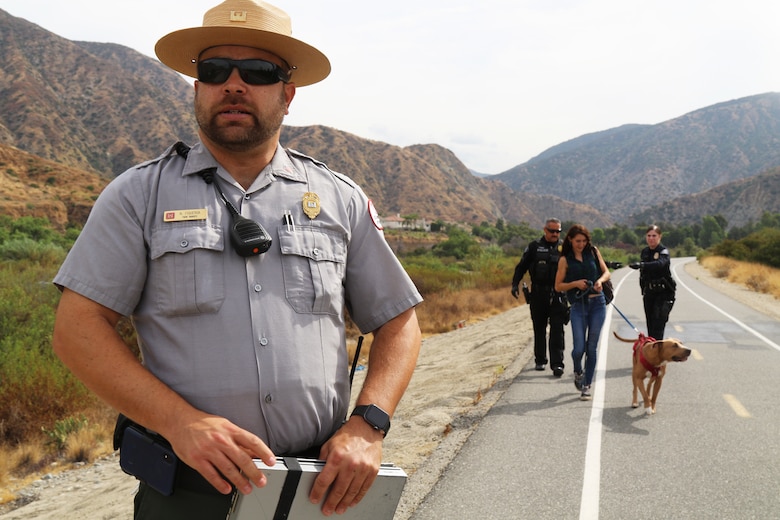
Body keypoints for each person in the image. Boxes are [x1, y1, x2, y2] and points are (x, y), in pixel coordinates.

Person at [51, 1, 423, 518]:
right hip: (187, 493)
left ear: (287, 95)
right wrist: (180, 422)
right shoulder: (137, 196)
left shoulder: (338, 199)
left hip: (320, 490)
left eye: (258, 72)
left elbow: (400, 322)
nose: (233, 84)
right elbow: (77, 330)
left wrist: (369, 424)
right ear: (196, 87)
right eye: (213, 70)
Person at [554, 224, 610, 400]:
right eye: (578, 241)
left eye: (584, 241)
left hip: (598, 304)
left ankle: (586, 384)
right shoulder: (564, 260)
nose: (581, 244)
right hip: (578, 305)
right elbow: (558, 286)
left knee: (591, 346)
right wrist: (575, 284)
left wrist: (600, 281)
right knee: (579, 348)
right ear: (570, 240)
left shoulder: (593, 252)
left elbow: (606, 272)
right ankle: (578, 369)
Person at [511, 218, 567, 376]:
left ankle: (557, 364)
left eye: (558, 231)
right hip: (538, 294)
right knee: (539, 328)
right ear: (545, 230)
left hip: (558, 294)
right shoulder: (534, 247)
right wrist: (515, 284)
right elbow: (521, 267)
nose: (555, 234)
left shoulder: (565, 248)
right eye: (552, 231)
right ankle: (540, 360)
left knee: (557, 329)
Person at [629, 225, 676, 340]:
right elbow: (643, 274)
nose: (651, 238)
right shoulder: (645, 252)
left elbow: (660, 264)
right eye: (649, 236)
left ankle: (658, 354)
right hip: (649, 294)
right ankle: (651, 354)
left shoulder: (663, 251)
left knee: (658, 326)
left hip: (663, 294)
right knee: (650, 325)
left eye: (654, 236)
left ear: (660, 236)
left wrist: (642, 265)